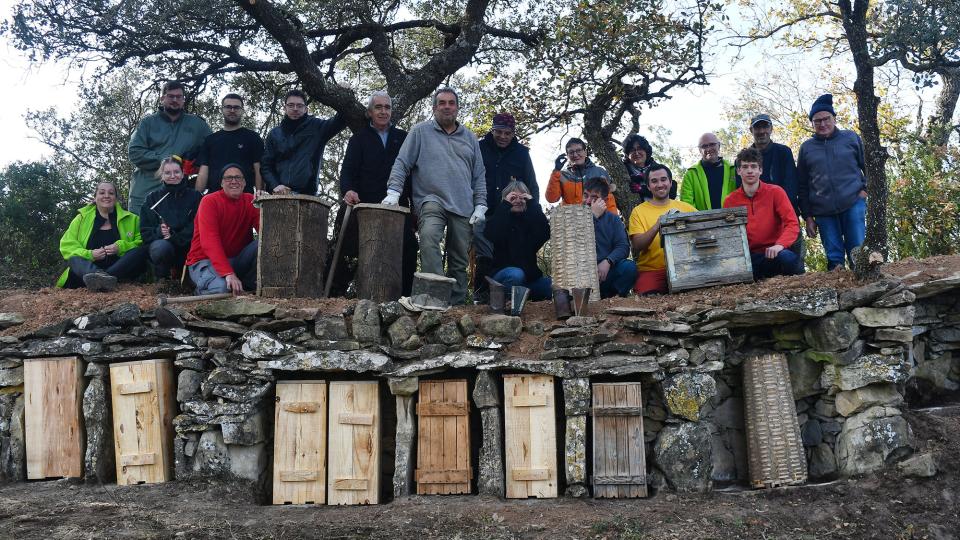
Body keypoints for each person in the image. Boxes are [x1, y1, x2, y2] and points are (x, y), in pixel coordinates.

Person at [382, 87, 487, 304]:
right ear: (434, 108)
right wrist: (393, 191)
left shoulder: (469, 138)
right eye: (442, 103)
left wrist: (480, 204)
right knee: (429, 239)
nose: (447, 107)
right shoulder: (420, 132)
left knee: (459, 258)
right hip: (431, 200)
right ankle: (436, 298)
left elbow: (479, 175)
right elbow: (402, 163)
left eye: (451, 103)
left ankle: (456, 305)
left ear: (457, 108)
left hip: (463, 205)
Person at [327, 91, 419, 297]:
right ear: (369, 112)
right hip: (363, 204)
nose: (383, 111)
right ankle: (334, 294)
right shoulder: (358, 139)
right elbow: (347, 171)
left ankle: (405, 297)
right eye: (378, 107)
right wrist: (348, 190)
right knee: (347, 246)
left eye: (387, 107)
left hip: (398, 206)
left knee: (409, 247)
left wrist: (415, 208)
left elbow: (414, 175)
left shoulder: (404, 138)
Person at [797, 94, 868, 270]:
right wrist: (808, 216)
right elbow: (802, 185)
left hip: (853, 202)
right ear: (812, 124)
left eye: (826, 119)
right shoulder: (806, 148)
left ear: (834, 119)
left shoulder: (851, 138)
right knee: (834, 258)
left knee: (857, 252)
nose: (822, 124)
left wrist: (865, 190)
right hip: (823, 211)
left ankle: (865, 282)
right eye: (817, 121)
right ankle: (839, 285)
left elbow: (869, 167)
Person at [474, 112, 538, 301]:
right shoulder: (479, 148)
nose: (502, 137)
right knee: (483, 247)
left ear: (513, 133)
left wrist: (532, 209)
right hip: (482, 210)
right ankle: (481, 292)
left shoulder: (522, 153)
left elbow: (532, 184)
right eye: (499, 132)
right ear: (492, 130)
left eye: (507, 133)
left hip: (511, 213)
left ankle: (515, 289)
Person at [128, 81, 211, 214]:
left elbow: (212, 150)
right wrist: (168, 161)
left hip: (180, 196)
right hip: (144, 192)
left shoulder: (198, 125)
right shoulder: (147, 123)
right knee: (141, 227)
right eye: (170, 96)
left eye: (179, 97)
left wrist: (195, 168)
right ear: (162, 98)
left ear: (183, 99)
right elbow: (134, 152)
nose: (175, 100)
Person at [724, 148, 804, 279]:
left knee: (788, 258)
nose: (750, 171)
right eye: (745, 167)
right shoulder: (730, 201)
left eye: (754, 166)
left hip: (775, 252)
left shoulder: (776, 192)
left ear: (760, 170)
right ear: (738, 171)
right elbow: (729, 233)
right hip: (750, 256)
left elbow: (792, 223)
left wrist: (779, 245)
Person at [56, 181, 148, 291]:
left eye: (111, 193)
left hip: (119, 270)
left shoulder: (133, 219)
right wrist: (90, 254)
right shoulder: (80, 219)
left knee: (140, 251)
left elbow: (141, 242)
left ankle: (104, 279)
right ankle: (99, 277)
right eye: (102, 192)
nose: (106, 196)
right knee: (74, 259)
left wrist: (120, 247)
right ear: (95, 197)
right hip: (86, 273)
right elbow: (67, 246)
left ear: (116, 198)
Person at [185, 165, 260, 295]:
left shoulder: (251, 201)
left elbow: (266, 231)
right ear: (221, 183)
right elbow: (210, 242)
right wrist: (228, 273)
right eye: (228, 178)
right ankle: (200, 288)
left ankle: (245, 288)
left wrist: (265, 203)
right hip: (205, 260)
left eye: (238, 177)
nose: (234, 181)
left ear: (244, 182)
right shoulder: (209, 201)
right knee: (221, 289)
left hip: (236, 260)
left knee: (262, 243)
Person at [261, 89, 347, 195]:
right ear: (285, 108)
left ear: (306, 109)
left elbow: (340, 121)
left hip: (307, 195)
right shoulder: (274, 134)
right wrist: (275, 185)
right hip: (278, 194)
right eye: (291, 105)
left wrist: (344, 95)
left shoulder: (317, 127)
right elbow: (266, 165)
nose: (295, 109)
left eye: (299, 105)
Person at [628, 164, 697, 294]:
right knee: (647, 299)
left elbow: (703, 230)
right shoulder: (638, 211)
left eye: (663, 179)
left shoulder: (686, 208)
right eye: (654, 181)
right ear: (648, 186)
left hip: (685, 267)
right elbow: (637, 245)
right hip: (652, 270)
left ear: (670, 183)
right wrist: (657, 225)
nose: (660, 184)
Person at [483, 181, 552, 300]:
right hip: (503, 277)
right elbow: (491, 234)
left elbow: (545, 233)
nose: (518, 201)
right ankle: (508, 302)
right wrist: (505, 205)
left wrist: (532, 203)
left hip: (528, 281)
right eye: (513, 198)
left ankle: (522, 298)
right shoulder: (499, 218)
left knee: (553, 285)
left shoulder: (530, 222)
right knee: (516, 274)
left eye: (522, 198)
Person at [140, 156, 202, 280]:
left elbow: (198, 225)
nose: (173, 176)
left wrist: (174, 237)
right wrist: (159, 231)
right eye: (168, 173)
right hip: (165, 248)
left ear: (183, 173)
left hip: (189, 247)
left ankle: (190, 277)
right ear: (162, 175)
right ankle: (163, 280)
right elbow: (145, 231)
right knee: (161, 248)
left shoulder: (195, 196)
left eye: (176, 172)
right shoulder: (152, 198)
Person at [749, 113, 803, 255]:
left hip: (786, 217)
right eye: (757, 127)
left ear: (771, 128)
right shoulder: (745, 158)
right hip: (759, 223)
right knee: (764, 261)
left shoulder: (784, 152)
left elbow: (792, 185)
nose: (762, 131)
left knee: (794, 260)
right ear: (751, 130)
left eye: (765, 126)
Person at [195, 93, 265, 194]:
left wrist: (260, 195)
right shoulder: (210, 140)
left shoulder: (253, 138)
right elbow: (203, 171)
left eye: (236, 107)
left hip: (244, 197)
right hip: (215, 197)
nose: (232, 110)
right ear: (222, 109)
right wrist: (196, 195)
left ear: (242, 110)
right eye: (228, 107)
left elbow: (259, 170)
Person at [583, 178, 637, 298]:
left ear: (605, 201)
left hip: (605, 273)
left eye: (594, 197)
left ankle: (612, 298)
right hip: (581, 274)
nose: (587, 201)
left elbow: (623, 247)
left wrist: (608, 261)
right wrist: (592, 217)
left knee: (630, 268)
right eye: (585, 195)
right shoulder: (573, 217)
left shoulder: (613, 219)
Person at [546, 137, 618, 213]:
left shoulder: (599, 172)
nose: (575, 155)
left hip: (598, 218)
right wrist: (556, 170)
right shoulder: (562, 175)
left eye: (578, 150)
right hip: (573, 219)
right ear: (567, 155)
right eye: (571, 152)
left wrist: (612, 219)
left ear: (585, 152)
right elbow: (551, 199)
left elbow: (609, 199)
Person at [680, 132, 737, 211]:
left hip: (732, 217)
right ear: (699, 150)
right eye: (704, 146)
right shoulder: (691, 174)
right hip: (701, 219)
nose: (709, 149)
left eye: (712, 144)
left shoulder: (734, 170)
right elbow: (686, 205)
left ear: (719, 146)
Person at [623, 134, 676, 201]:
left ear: (646, 151)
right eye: (632, 150)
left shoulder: (658, 168)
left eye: (639, 149)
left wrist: (642, 189)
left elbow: (671, 193)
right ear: (627, 154)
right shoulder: (623, 170)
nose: (636, 153)